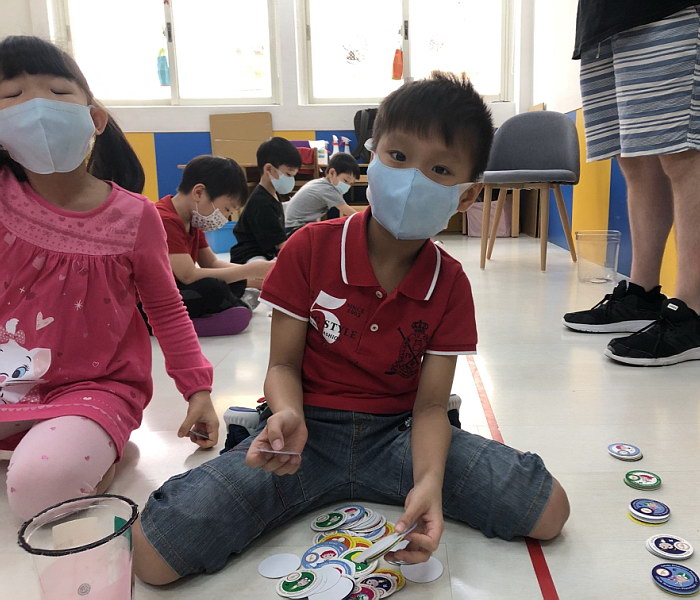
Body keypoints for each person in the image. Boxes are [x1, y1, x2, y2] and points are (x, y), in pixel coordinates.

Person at [132, 72, 570, 584]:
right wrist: (287, 413)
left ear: (467, 195)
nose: (413, 179)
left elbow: (431, 406)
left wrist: (429, 481)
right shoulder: (310, 249)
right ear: (372, 157)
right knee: (156, 551)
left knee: (548, 509)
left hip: (401, 436)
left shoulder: (450, 283)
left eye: (440, 169)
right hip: (306, 435)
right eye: (398, 156)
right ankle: (262, 435)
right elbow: (283, 365)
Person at [0, 36, 218, 521]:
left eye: (57, 91)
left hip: (93, 387)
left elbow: (166, 308)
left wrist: (197, 390)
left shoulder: (134, 215)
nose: (36, 107)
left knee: (39, 491)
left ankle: (90, 442)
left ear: (95, 118)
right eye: (11, 96)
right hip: (10, 377)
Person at [563, 2, 700, 366]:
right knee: (633, 158)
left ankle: (691, 316)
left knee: (684, 149)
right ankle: (642, 296)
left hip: (677, 9)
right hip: (604, 22)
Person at [155, 155, 271, 334]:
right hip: (153, 300)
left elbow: (212, 263)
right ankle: (204, 317)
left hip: (179, 289)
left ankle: (230, 306)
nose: (225, 218)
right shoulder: (165, 219)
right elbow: (188, 275)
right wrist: (250, 270)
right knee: (212, 288)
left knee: (229, 281)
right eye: (226, 209)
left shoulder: (193, 220)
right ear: (199, 193)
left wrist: (260, 278)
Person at [230, 136, 301, 265]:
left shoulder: (272, 194)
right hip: (249, 257)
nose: (291, 180)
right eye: (288, 174)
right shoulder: (261, 202)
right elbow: (281, 244)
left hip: (265, 253)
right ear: (269, 169)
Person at [283, 151, 361, 234]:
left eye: (351, 184)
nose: (347, 186)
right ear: (332, 173)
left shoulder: (320, 183)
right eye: (345, 181)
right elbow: (349, 212)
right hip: (294, 228)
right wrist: (366, 219)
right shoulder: (328, 190)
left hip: (289, 224)